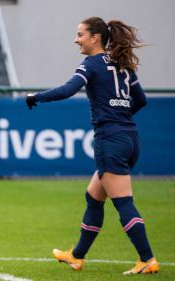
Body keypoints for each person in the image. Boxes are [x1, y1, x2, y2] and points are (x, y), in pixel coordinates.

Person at [26, 17, 159, 275]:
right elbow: (140, 99)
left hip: (110, 141)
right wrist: (121, 116)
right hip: (130, 139)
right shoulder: (122, 64)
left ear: (95, 37)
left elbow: (68, 89)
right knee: (94, 196)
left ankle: (147, 258)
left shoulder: (91, 64)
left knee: (123, 202)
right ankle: (77, 256)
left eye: (80, 34)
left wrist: (36, 97)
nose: (76, 39)